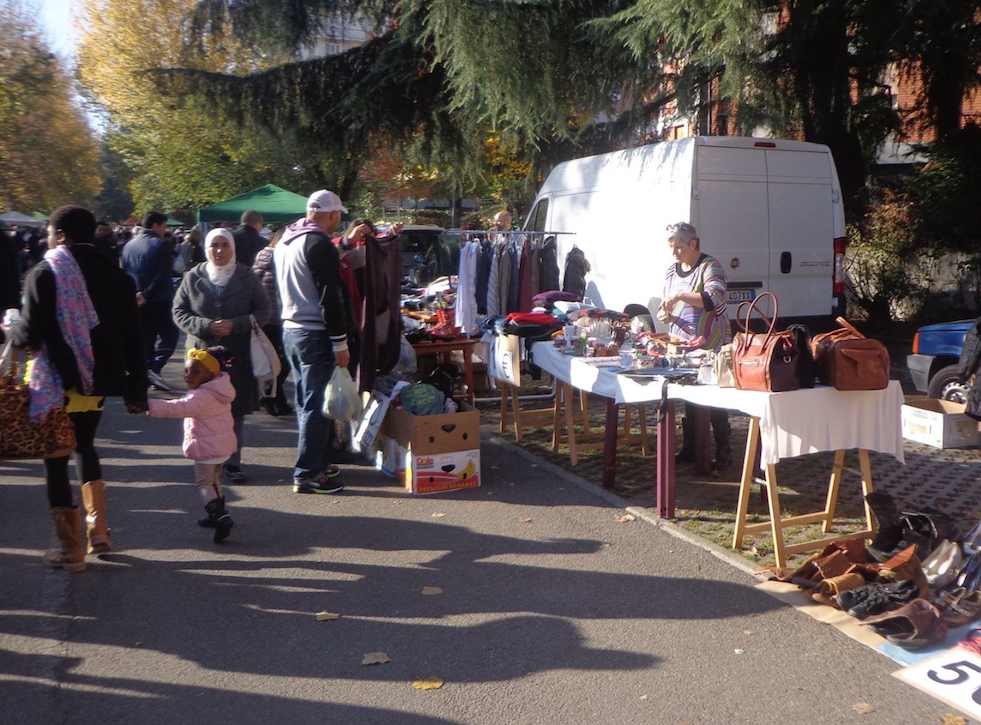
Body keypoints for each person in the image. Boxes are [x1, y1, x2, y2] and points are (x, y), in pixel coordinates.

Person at [4, 205, 147, 571]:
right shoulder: (118, 277)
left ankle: (70, 549)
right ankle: (97, 531)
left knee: (55, 458)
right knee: (84, 445)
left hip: (56, 380)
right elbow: (134, 338)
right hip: (96, 381)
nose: (48, 239)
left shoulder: (45, 272)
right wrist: (136, 389)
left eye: (51, 232)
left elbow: (32, 332)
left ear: (61, 234)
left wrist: (11, 329)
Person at [173, 228, 271, 483]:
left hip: (235, 355)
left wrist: (236, 324)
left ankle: (232, 461)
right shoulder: (193, 276)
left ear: (232, 248)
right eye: (214, 245)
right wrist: (204, 326)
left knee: (233, 409)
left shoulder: (246, 275)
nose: (219, 250)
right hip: (200, 356)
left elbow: (263, 310)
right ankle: (205, 458)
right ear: (206, 249)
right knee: (201, 408)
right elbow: (178, 312)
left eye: (224, 245)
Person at [274, 189, 351, 494]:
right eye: (337, 216)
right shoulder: (317, 242)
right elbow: (328, 296)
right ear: (331, 214)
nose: (337, 221)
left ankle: (317, 461)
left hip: (291, 328)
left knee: (306, 401)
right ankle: (308, 473)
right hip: (313, 331)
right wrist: (340, 342)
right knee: (316, 405)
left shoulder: (287, 238)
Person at [656, 221, 732, 469]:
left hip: (710, 343)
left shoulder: (711, 267)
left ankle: (723, 450)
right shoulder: (671, 271)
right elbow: (666, 304)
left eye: (678, 247)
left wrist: (679, 295)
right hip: (681, 346)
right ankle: (691, 447)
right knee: (688, 395)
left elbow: (713, 298)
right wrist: (664, 314)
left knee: (713, 395)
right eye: (670, 247)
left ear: (693, 244)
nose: (674, 253)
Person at [147, 347, 236, 542]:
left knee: (203, 482)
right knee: (214, 480)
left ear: (210, 374)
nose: (188, 376)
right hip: (221, 446)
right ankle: (219, 513)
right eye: (186, 371)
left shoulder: (201, 396)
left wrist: (149, 405)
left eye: (195, 372)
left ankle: (220, 516)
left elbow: (179, 408)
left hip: (207, 448)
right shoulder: (219, 389)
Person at [121, 211, 179, 392]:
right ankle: (155, 368)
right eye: (164, 226)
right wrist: (146, 294)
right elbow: (163, 274)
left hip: (136, 299)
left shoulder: (128, 245)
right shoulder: (162, 244)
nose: (165, 230)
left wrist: (136, 294)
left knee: (147, 336)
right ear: (155, 225)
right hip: (159, 299)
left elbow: (124, 272)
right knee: (170, 334)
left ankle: (149, 372)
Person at [251, 228, 293, 416]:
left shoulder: (261, 257)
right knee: (282, 363)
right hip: (277, 317)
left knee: (276, 361)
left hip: (266, 317)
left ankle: (275, 398)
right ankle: (270, 396)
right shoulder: (285, 259)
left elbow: (254, 283)